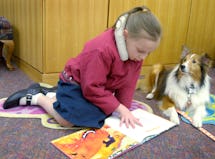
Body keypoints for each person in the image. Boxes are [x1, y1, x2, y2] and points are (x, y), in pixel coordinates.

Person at [3, 6, 162, 129]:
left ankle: (54, 94)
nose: (143, 57)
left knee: (103, 114)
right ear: (126, 35)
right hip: (76, 83)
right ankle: (38, 97)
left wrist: (124, 109)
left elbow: (128, 83)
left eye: (148, 53)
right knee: (67, 121)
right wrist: (118, 108)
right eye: (141, 51)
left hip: (97, 88)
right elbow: (91, 88)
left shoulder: (135, 51)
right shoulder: (101, 49)